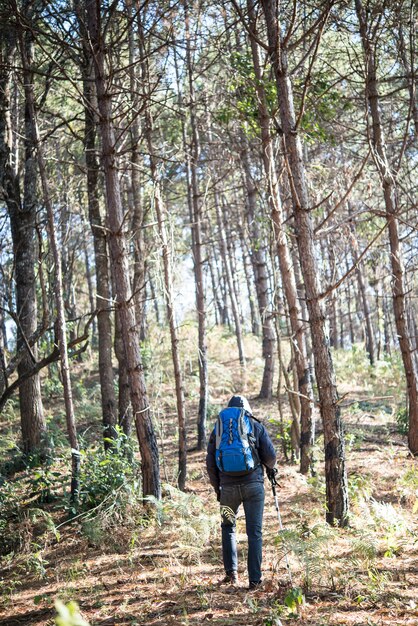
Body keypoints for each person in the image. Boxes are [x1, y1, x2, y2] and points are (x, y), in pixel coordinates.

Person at [206, 395, 277, 589]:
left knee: (228, 527)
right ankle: (254, 581)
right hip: (253, 487)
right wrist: (269, 467)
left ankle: (231, 575)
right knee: (255, 533)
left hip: (227, 490)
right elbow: (270, 457)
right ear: (247, 410)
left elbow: (210, 463)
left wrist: (217, 488)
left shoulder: (218, 429)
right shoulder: (254, 425)